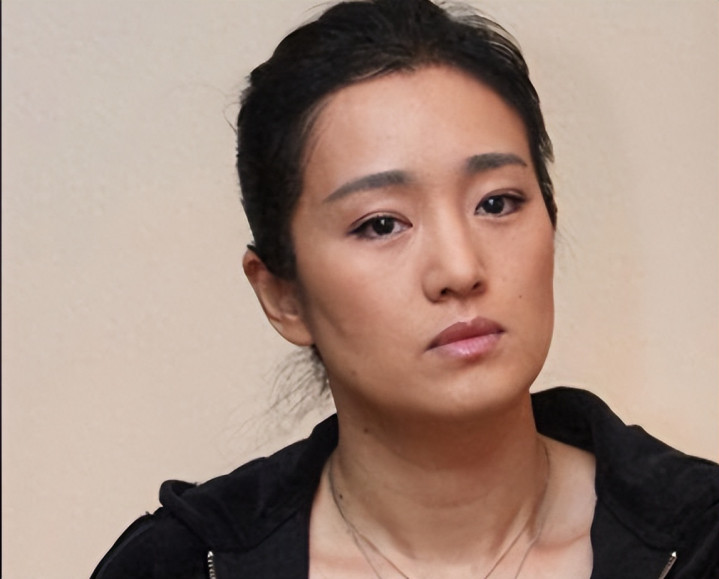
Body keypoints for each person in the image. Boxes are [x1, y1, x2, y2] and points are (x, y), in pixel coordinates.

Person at [90, 0, 719, 577]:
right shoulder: (176, 566)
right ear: (283, 295)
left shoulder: (699, 540)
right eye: (381, 224)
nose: (460, 270)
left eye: (497, 203)